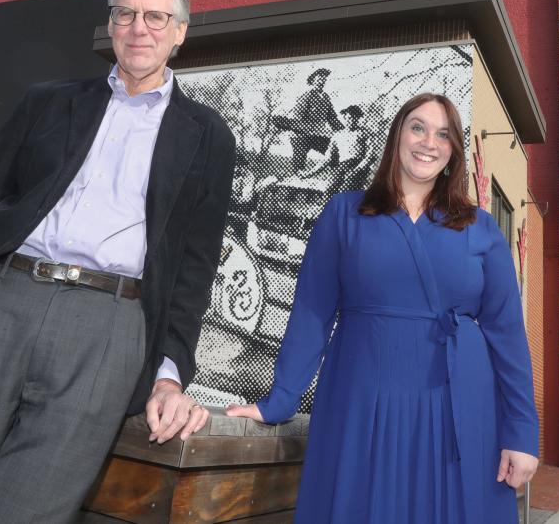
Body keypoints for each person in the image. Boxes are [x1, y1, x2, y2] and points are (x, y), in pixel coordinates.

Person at [0, 0, 236, 523]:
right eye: (127, 14)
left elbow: (195, 267)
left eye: (156, 16)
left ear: (180, 31)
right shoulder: (47, 102)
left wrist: (170, 375)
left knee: (26, 510)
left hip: (109, 329)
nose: (139, 28)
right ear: (112, 25)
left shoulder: (208, 136)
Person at [227, 93, 539, 522]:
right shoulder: (343, 213)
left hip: (457, 407)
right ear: (397, 137)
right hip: (360, 396)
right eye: (418, 127)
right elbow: (311, 315)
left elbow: (507, 335)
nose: (429, 141)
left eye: (443, 134)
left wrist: (521, 432)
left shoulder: (480, 229)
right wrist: (280, 400)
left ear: (452, 154)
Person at [299, 103, 370, 190]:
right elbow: (327, 159)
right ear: (344, 117)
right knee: (329, 190)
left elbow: (370, 156)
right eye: (349, 118)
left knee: (346, 189)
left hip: (358, 167)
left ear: (358, 119)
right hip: (342, 167)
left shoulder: (363, 133)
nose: (351, 121)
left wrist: (357, 170)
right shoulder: (337, 136)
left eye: (354, 118)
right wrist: (308, 173)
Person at [286, 67, 343, 170]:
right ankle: (295, 178)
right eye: (319, 78)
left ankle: (337, 177)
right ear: (313, 80)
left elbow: (332, 119)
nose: (322, 80)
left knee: (335, 152)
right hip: (300, 135)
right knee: (299, 163)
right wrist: (307, 128)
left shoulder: (326, 98)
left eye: (324, 78)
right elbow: (296, 119)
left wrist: (344, 132)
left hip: (316, 135)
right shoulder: (307, 96)